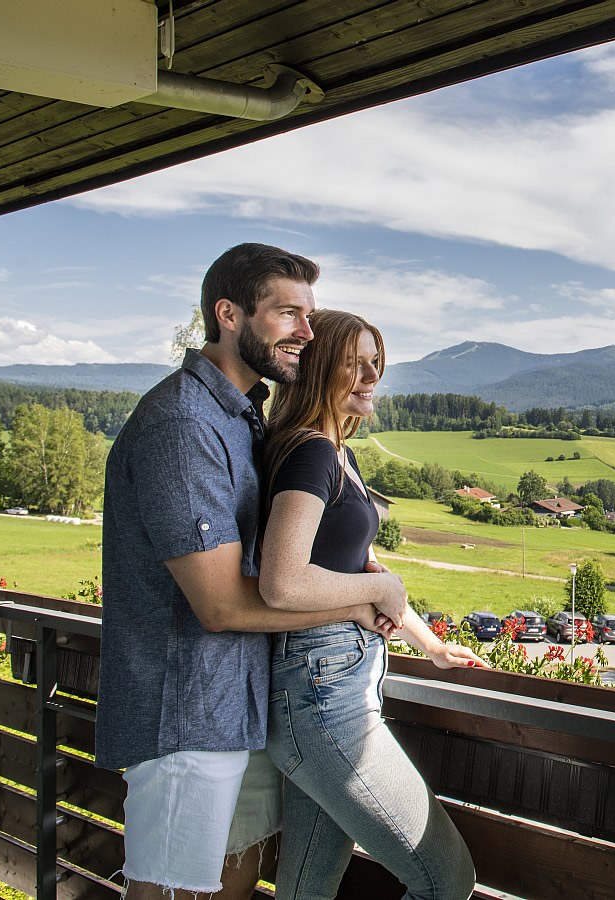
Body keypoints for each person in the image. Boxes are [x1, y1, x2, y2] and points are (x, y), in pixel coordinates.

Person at [96, 244, 404, 900]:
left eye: (309, 316)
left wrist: (356, 569)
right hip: (185, 712)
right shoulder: (183, 423)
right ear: (229, 315)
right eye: (287, 313)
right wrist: (361, 601)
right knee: (169, 893)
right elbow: (220, 605)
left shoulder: (240, 418)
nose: (307, 332)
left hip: (239, 706)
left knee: (224, 887)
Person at [258, 308, 485, 900]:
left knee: (305, 892)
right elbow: (282, 582)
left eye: (374, 362)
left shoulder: (338, 454)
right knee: (447, 879)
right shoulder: (310, 453)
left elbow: (363, 571)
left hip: (325, 687)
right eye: (352, 363)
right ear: (316, 371)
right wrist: (377, 592)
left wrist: (430, 645)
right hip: (322, 697)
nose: (370, 376)